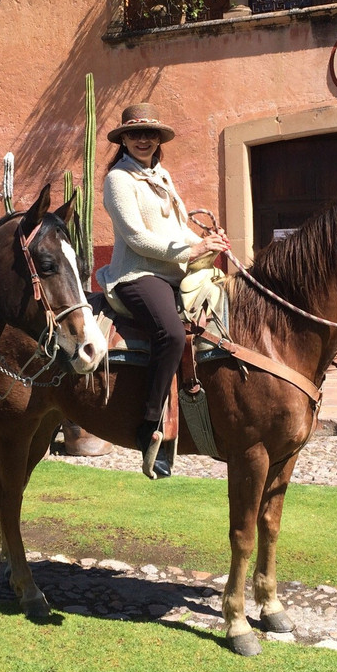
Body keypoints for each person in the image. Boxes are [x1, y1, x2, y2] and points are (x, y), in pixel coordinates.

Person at [95, 103, 229, 479]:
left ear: (159, 140)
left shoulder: (162, 176)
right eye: (135, 134)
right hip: (137, 276)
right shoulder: (118, 180)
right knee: (170, 334)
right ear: (123, 140)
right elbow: (137, 238)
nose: (143, 140)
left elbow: (177, 230)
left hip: (175, 273)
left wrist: (206, 242)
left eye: (150, 134)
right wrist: (192, 250)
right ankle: (150, 426)